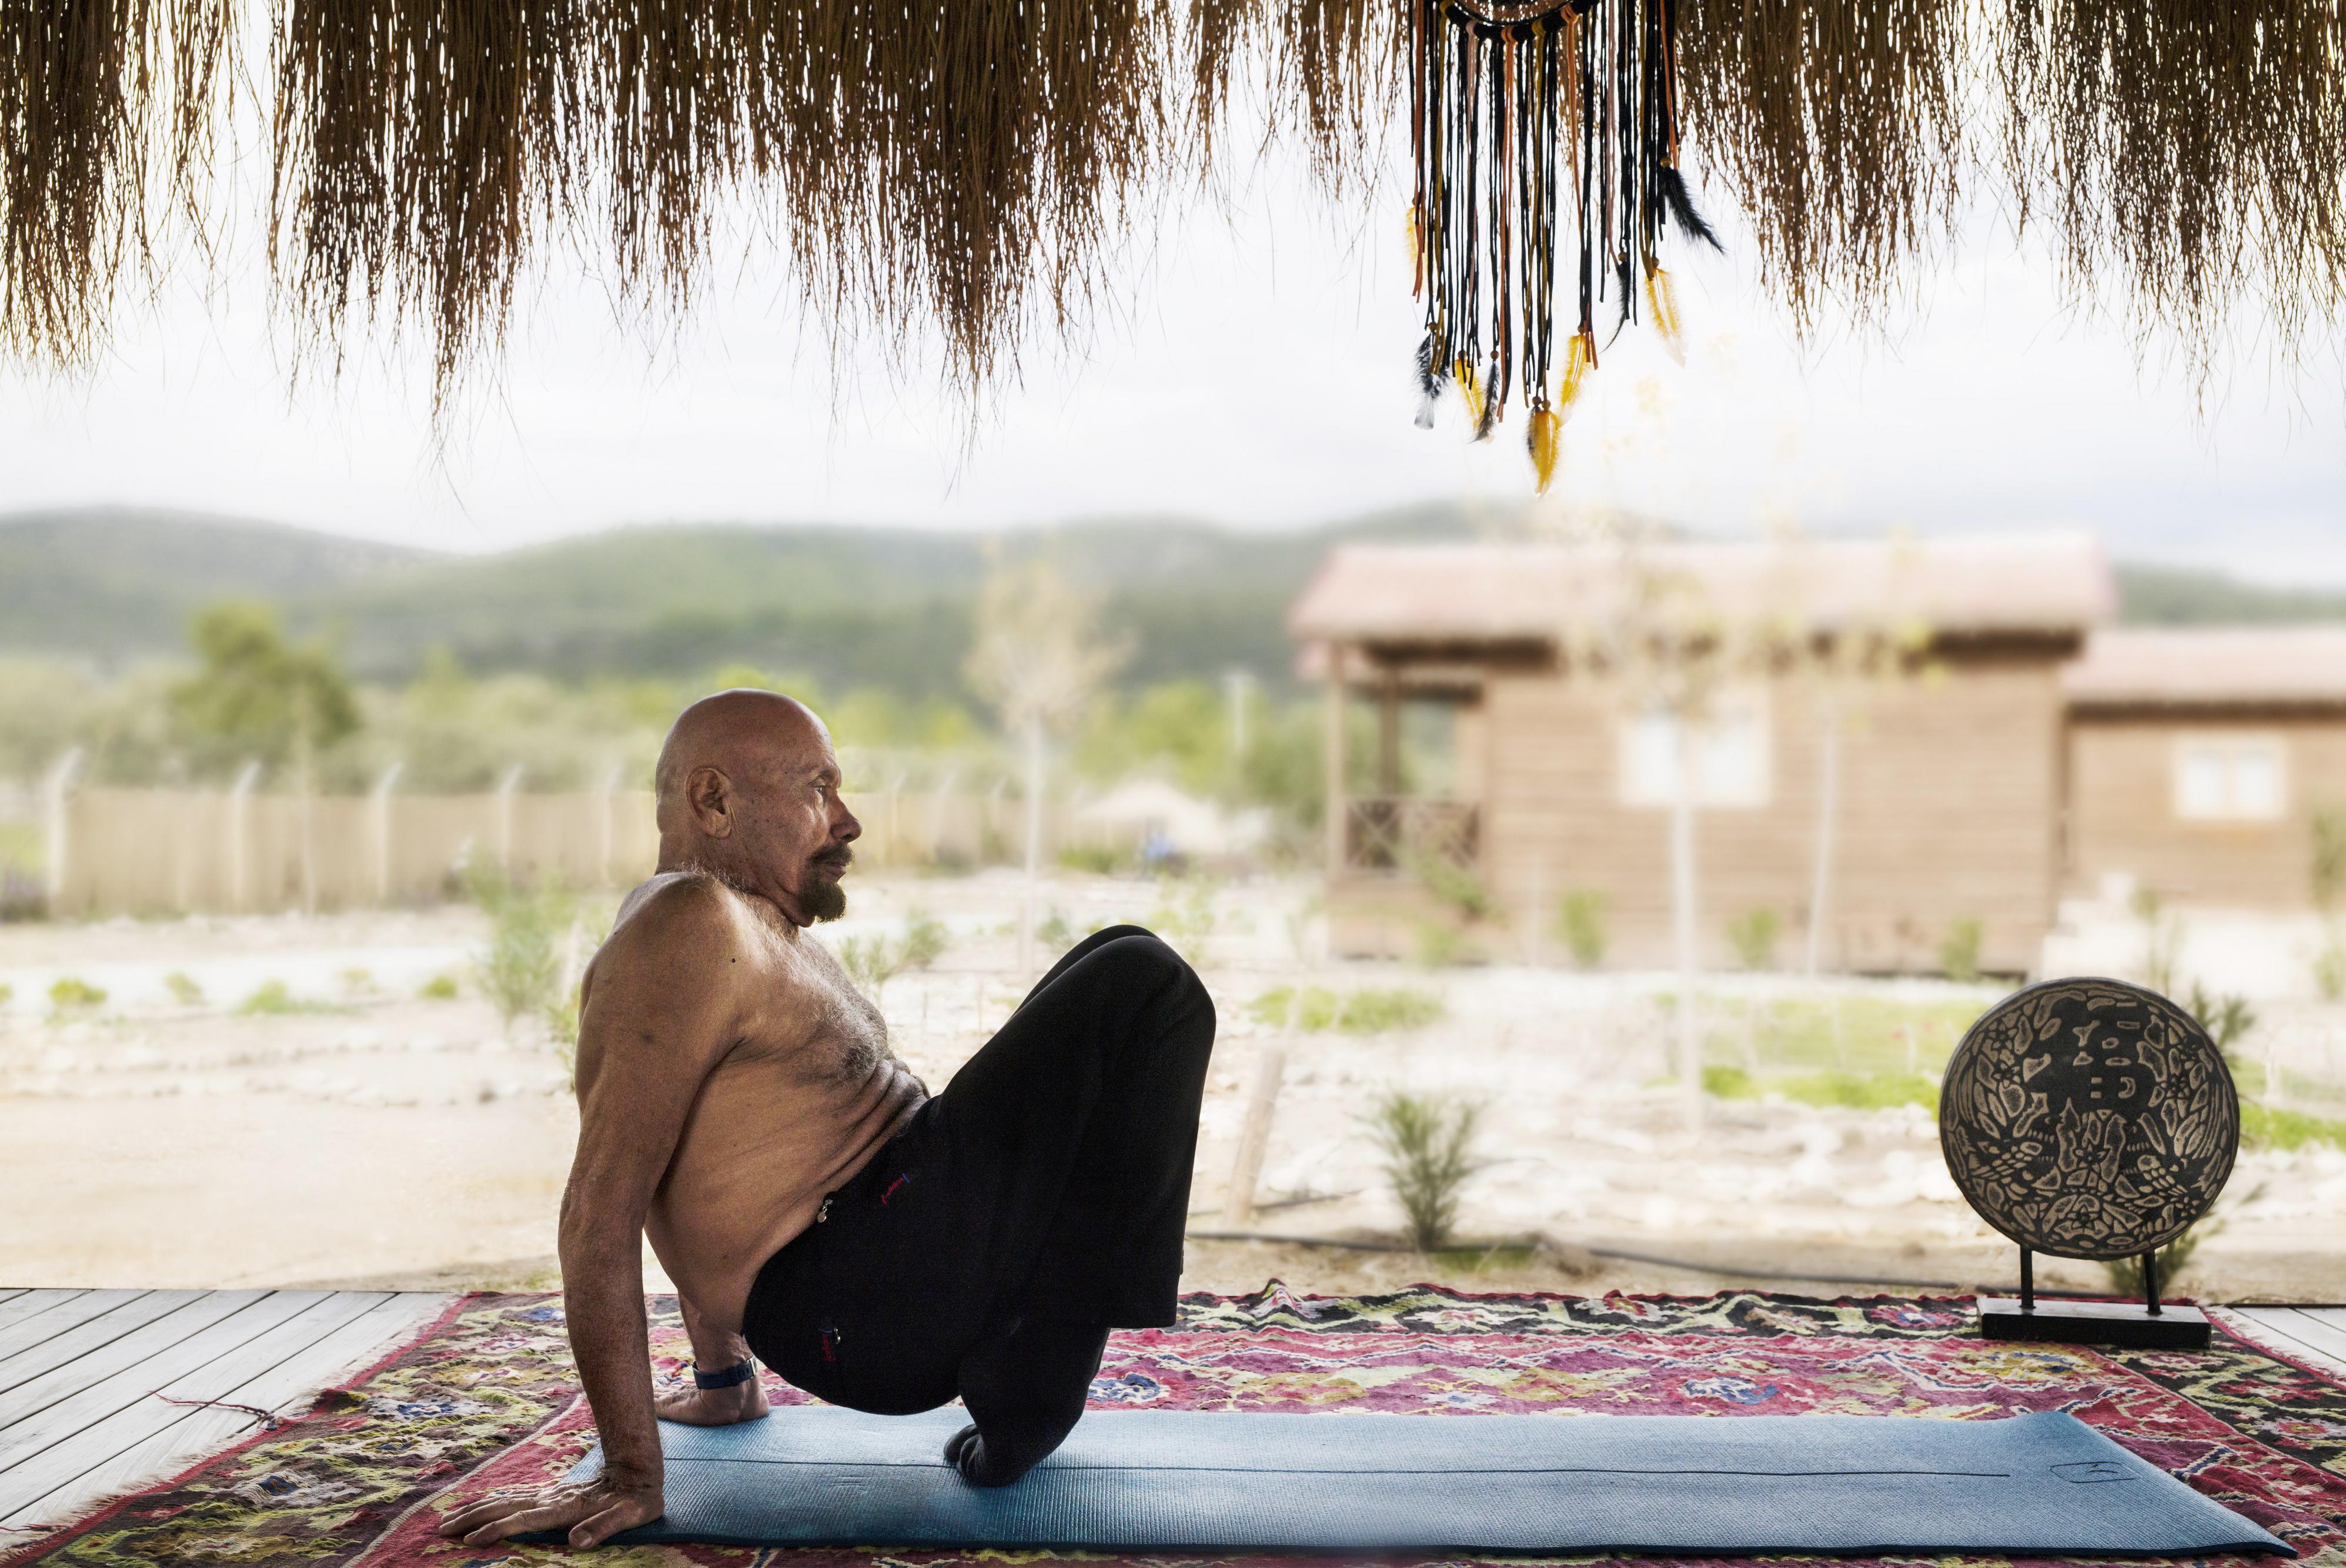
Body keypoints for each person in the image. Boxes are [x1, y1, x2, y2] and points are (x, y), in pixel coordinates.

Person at [438, 690, 1216, 1551]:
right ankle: (1051, 1337)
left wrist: (723, 1377)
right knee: (1144, 981)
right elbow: (603, 1208)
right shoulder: (683, 928)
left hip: (889, 1266)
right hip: (865, 1299)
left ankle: (1040, 1337)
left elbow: (708, 1166)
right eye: (818, 788)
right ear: (715, 801)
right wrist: (632, 1472)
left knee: (1112, 955)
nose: (847, 822)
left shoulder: (747, 930)